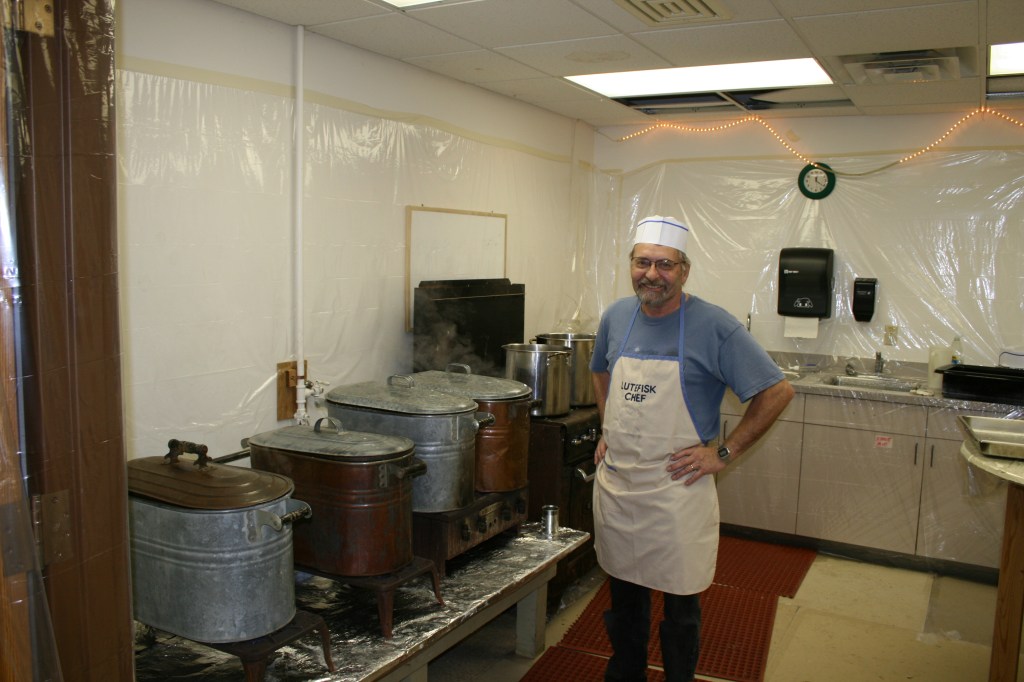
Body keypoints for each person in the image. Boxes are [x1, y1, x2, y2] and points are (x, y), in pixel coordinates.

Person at [590, 215, 795, 682]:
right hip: (620, 485)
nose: (652, 274)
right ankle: (627, 674)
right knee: (624, 602)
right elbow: (600, 371)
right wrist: (608, 428)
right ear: (631, 265)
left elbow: (777, 392)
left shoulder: (713, 325)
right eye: (643, 262)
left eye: (665, 264)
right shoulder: (616, 316)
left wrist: (723, 452)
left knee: (681, 606)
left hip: (676, 489)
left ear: (684, 270)